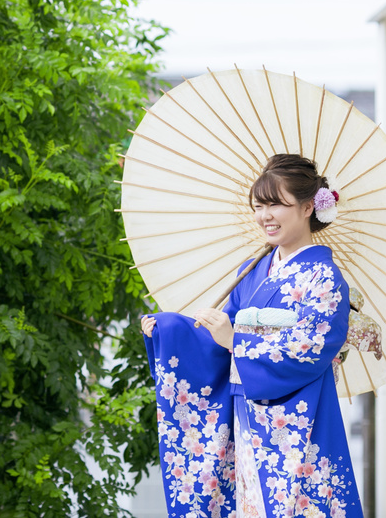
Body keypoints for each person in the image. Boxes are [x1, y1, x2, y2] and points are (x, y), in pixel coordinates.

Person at [141, 154, 363, 518]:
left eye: (276, 204)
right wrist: (169, 329)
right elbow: (216, 336)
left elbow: (310, 346)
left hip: (297, 418)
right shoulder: (254, 270)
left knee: (297, 505)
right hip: (246, 415)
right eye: (259, 205)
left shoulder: (324, 278)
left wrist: (237, 342)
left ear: (309, 206)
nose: (265, 215)